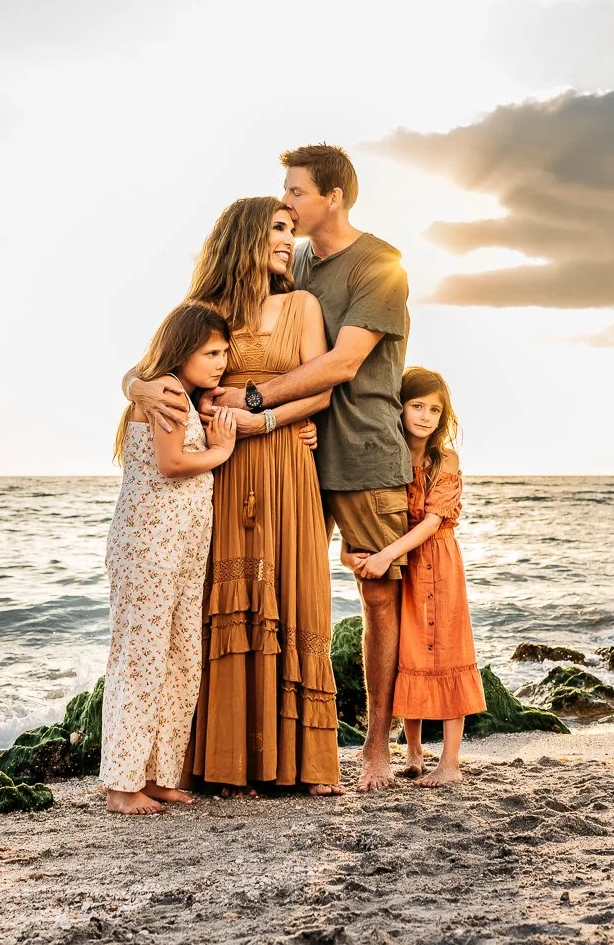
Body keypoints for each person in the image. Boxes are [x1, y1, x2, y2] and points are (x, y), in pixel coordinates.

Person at [197, 145, 413, 793]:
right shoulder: (300, 259)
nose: (284, 205)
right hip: (293, 453)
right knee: (279, 590)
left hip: (361, 446)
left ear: (333, 197)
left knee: (377, 594)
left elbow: (343, 364)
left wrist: (261, 401)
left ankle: (376, 746)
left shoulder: (380, 265)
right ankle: (256, 744)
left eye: (294, 194)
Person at [127, 198, 343, 795]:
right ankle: (227, 762)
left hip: (282, 460)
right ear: (245, 236)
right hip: (218, 470)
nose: (287, 239)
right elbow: (148, 366)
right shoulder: (207, 310)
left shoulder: (303, 305)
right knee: (225, 595)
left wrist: (263, 421)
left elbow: (321, 391)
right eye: (278, 228)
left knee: (296, 593)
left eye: (291, 229)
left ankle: (305, 762)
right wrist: (141, 387)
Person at [101, 301, 239, 816]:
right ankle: (121, 784)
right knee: (142, 658)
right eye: (210, 352)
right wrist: (222, 452)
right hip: (149, 547)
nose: (220, 361)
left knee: (181, 657)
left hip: (180, 545)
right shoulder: (166, 394)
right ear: (182, 350)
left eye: (224, 351)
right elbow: (172, 462)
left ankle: (157, 774)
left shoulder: (182, 392)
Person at [346, 367, 484, 788]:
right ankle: (413, 754)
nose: (425, 416)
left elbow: (431, 522)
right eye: (417, 405)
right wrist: (352, 549)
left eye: (434, 409)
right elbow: (367, 507)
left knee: (445, 650)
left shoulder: (446, 459)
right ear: (400, 407)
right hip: (404, 562)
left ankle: (451, 763)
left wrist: (386, 553)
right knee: (410, 652)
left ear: (443, 417)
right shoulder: (389, 455)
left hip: (436, 561)